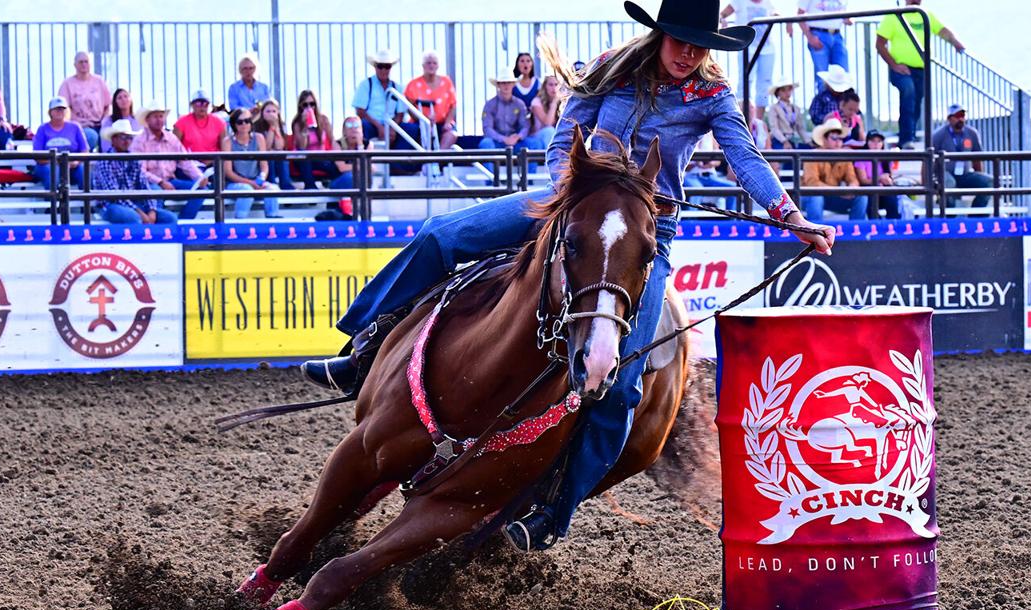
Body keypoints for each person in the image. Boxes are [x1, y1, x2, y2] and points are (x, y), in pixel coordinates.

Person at [298, 0, 834, 555]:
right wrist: (573, 193)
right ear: (660, 35)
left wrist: (789, 216)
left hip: (646, 232)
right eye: (682, 41)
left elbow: (745, 159)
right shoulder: (611, 68)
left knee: (622, 386)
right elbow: (563, 142)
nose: (690, 54)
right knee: (439, 236)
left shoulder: (713, 96)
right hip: (572, 205)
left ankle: (555, 512)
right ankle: (362, 350)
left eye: (701, 46)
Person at [875, 0, 966, 148]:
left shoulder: (926, 15)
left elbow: (942, 31)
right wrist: (894, 65)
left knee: (917, 101)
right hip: (901, 69)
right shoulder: (894, 16)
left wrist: (955, 42)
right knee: (909, 91)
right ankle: (906, 139)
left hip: (921, 69)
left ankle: (909, 134)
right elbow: (880, 44)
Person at [133, 99, 207, 220]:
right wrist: (160, 182)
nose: (159, 120)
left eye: (161, 116)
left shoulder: (171, 138)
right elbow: (139, 171)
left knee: (202, 189)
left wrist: (199, 177)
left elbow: (185, 161)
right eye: (155, 116)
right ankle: (160, 225)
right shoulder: (139, 141)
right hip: (150, 184)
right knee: (156, 193)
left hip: (171, 181)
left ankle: (183, 222)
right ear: (147, 120)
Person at [94, 119, 175, 225]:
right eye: (123, 137)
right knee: (133, 218)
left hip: (134, 204)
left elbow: (144, 186)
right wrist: (140, 213)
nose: (127, 141)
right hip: (110, 205)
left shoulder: (134, 160)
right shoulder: (105, 161)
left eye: (129, 138)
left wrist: (152, 210)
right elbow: (114, 195)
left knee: (170, 218)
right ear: (113, 140)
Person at [721, 0, 783, 119]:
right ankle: (744, 119)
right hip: (747, 48)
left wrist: (783, 20)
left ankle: (758, 121)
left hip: (766, 48)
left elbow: (775, 13)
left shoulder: (767, 3)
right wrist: (722, 20)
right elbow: (722, 14)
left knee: (764, 84)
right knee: (745, 81)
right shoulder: (739, 2)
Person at [220, 107, 282, 219]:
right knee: (246, 190)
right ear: (234, 124)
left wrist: (261, 179)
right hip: (234, 184)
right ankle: (240, 221)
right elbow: (228, 172)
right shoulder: (228, 141)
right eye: (240, 122)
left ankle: (273, 220)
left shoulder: (259, 138)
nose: (244, 124)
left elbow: (264, 166)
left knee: (272, 189)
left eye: (247, 121)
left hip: (256, 180)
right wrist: (251, 183)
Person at [801, 117, 867, 220]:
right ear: (824, 139)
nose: (838, 142)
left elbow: (852, 179)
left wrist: (851, 188)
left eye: (840, 138)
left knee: (861, 196)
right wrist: (838, 191)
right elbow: (812, 183)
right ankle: (816, 229)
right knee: (816, 197)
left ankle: (856, 228)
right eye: (834, 138)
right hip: (808, 196)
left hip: (832, 195)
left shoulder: (844, 157)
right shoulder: (812, 156)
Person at [931, 104, 990, 208]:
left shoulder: (972, 133)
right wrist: (926, 181)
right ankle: (949, 214)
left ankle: (977, 214)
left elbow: (977, 159)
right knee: (948, 182)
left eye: (962, 116)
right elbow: (928, 161)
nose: (961, 119)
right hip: (945, 175)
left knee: (989, 182)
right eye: (957, 116)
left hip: (965, 175)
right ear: (949, 118)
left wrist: (978, 175)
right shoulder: (939, 135)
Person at [403, 50, 459, 150]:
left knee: (452, 134)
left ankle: (439, 156)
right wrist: (423, 120)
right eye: (428, 63)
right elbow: (409, 107)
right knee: (418, 133)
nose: (431, 66)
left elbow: (453, 105)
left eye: (434, 63)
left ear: (438, 66)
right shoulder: (413, 84)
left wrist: (448, 122)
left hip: (442, 123)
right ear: (423, 65)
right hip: (420, 123)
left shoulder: (446, 82)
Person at [56, 51, 110, 151]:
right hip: (80, 126)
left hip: (100, 124)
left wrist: (104, 122)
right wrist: (78, 123)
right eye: (81, 62)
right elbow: (65, 109)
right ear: (75, 65)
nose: (84, 64)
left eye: (86, 62)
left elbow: (108, 105)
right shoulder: (67, 84)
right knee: (91, 136)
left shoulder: (99, 81)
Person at [31, 96, 87, 190]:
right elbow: (37, 156)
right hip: (48, 165)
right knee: (52, 171)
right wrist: (57, 162)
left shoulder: (75, 127)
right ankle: (52, 198)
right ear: (50, 112)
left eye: (62, 109)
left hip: (72, 166)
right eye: (57, 109)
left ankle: (87, 198)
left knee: (83, 171)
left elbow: (85, 150)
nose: (60, 111)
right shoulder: (42, 129)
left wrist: (76, 162)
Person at [353, 49, 405, 146]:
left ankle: (403, 156)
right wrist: (379, 127)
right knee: (363, 125)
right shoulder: (366, 84)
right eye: (380, 66)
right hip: (371, 124)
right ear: (375, 67)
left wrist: (392, 128)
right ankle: (365, 153)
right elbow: (360, 111)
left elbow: (400, 113)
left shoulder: (398, 87)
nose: (383, 70)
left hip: (391, 124)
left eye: (387, 66)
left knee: (412, 129)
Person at [797, 0, 851, 92]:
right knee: (822, 76)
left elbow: (844, 14)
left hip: (837, 34)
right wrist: (810, 37)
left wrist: (847, 19)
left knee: (842, 74)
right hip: (818, 34)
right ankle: (824, 100)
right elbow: (800, 14)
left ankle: (843, 99)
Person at [290, 89, 336, 189]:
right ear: (300, 106)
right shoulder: (297, 122)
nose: (309, 107)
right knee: (304, 157)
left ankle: (336, 188)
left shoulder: (323, 119)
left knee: (334, 166)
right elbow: (302, 146)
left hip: (320, 157)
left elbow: (332, 139)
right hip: (304, 158)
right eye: (305, 105)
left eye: (312, 104)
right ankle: (311, 188)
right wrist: (304, 126)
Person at [478, 73, 536, 152]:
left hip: (516, 142)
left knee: (535, 143)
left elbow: (525, 126)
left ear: (513, 84)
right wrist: (503, 139)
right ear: (498, 85)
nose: (506, 85)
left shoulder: (520, 104)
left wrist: (518, 137)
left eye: (509, 82)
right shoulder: (490, 105)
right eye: (503, 83)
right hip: (496, 142)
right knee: (486, 144)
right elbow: (487, 128)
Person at [684, 132, 740, 210]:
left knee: (732, 187)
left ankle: (731, 215)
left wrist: (710, 164)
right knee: (697, 189)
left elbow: (718, 161)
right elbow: (681, 165)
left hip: (710, 176)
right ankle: (692, 216)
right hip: (692, 176)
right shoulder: (688, 134)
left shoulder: (711, 136)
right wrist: (696, 164)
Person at [853, 129, 902, 218]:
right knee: (870, 199)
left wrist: (888, 180)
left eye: (879, 141)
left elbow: (890, 176)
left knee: (892, 196)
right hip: (868, 191)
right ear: (867, 142)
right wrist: (879, 179)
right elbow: (863, 180)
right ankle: (875, 223)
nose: (876, 144)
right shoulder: (861, 158)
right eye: (873, 141)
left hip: (883, 191)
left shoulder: (887, 158)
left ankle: (894, 223)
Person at [252, 98, 295, 190]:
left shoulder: (281, 124)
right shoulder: (256, 125)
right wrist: (271, 127)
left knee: (282, 156)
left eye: (274, 111)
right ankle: (272, 184)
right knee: (269, 157)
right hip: (261, 160)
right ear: (262, 113)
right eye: (268, 111)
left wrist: (276, 127)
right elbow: (266, 147)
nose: (271, 114)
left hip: (277, 158)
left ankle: (286, 186)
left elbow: (280, 147)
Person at [173, 89, 226, 160]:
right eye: (198, 103)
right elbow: (174, 148)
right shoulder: (181, 123)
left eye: (205, 104)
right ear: (192, 105)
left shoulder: (219, 122)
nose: (202, 107)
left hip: (213, 162)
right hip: (189, 162)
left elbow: (224, 149)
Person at [765, 79, 805, 149]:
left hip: (793, 140)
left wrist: (809, 142)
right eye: (783, 90)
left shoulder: (796, 108)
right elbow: (774, 128)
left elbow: (800, 129)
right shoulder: (774, 108)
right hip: (779, 140)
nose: (787, 93)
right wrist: (784, 141)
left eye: (789, 89)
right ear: (777, 93)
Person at [99, 88, 140, 152]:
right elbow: (105, 145)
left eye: (126, 96)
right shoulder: (108, 121)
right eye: (120, 98)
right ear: (115, 102)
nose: (123, 99)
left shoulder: (137, 120)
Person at [530, 74, 562, 149]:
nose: (554, 88)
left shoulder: (563, 101)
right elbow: (548, 123)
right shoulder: (536, 102)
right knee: (549, 131)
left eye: (556, 84)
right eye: (550, 85)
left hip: (555, 135)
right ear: (545, 86)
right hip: (539, 136)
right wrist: (554, 103)